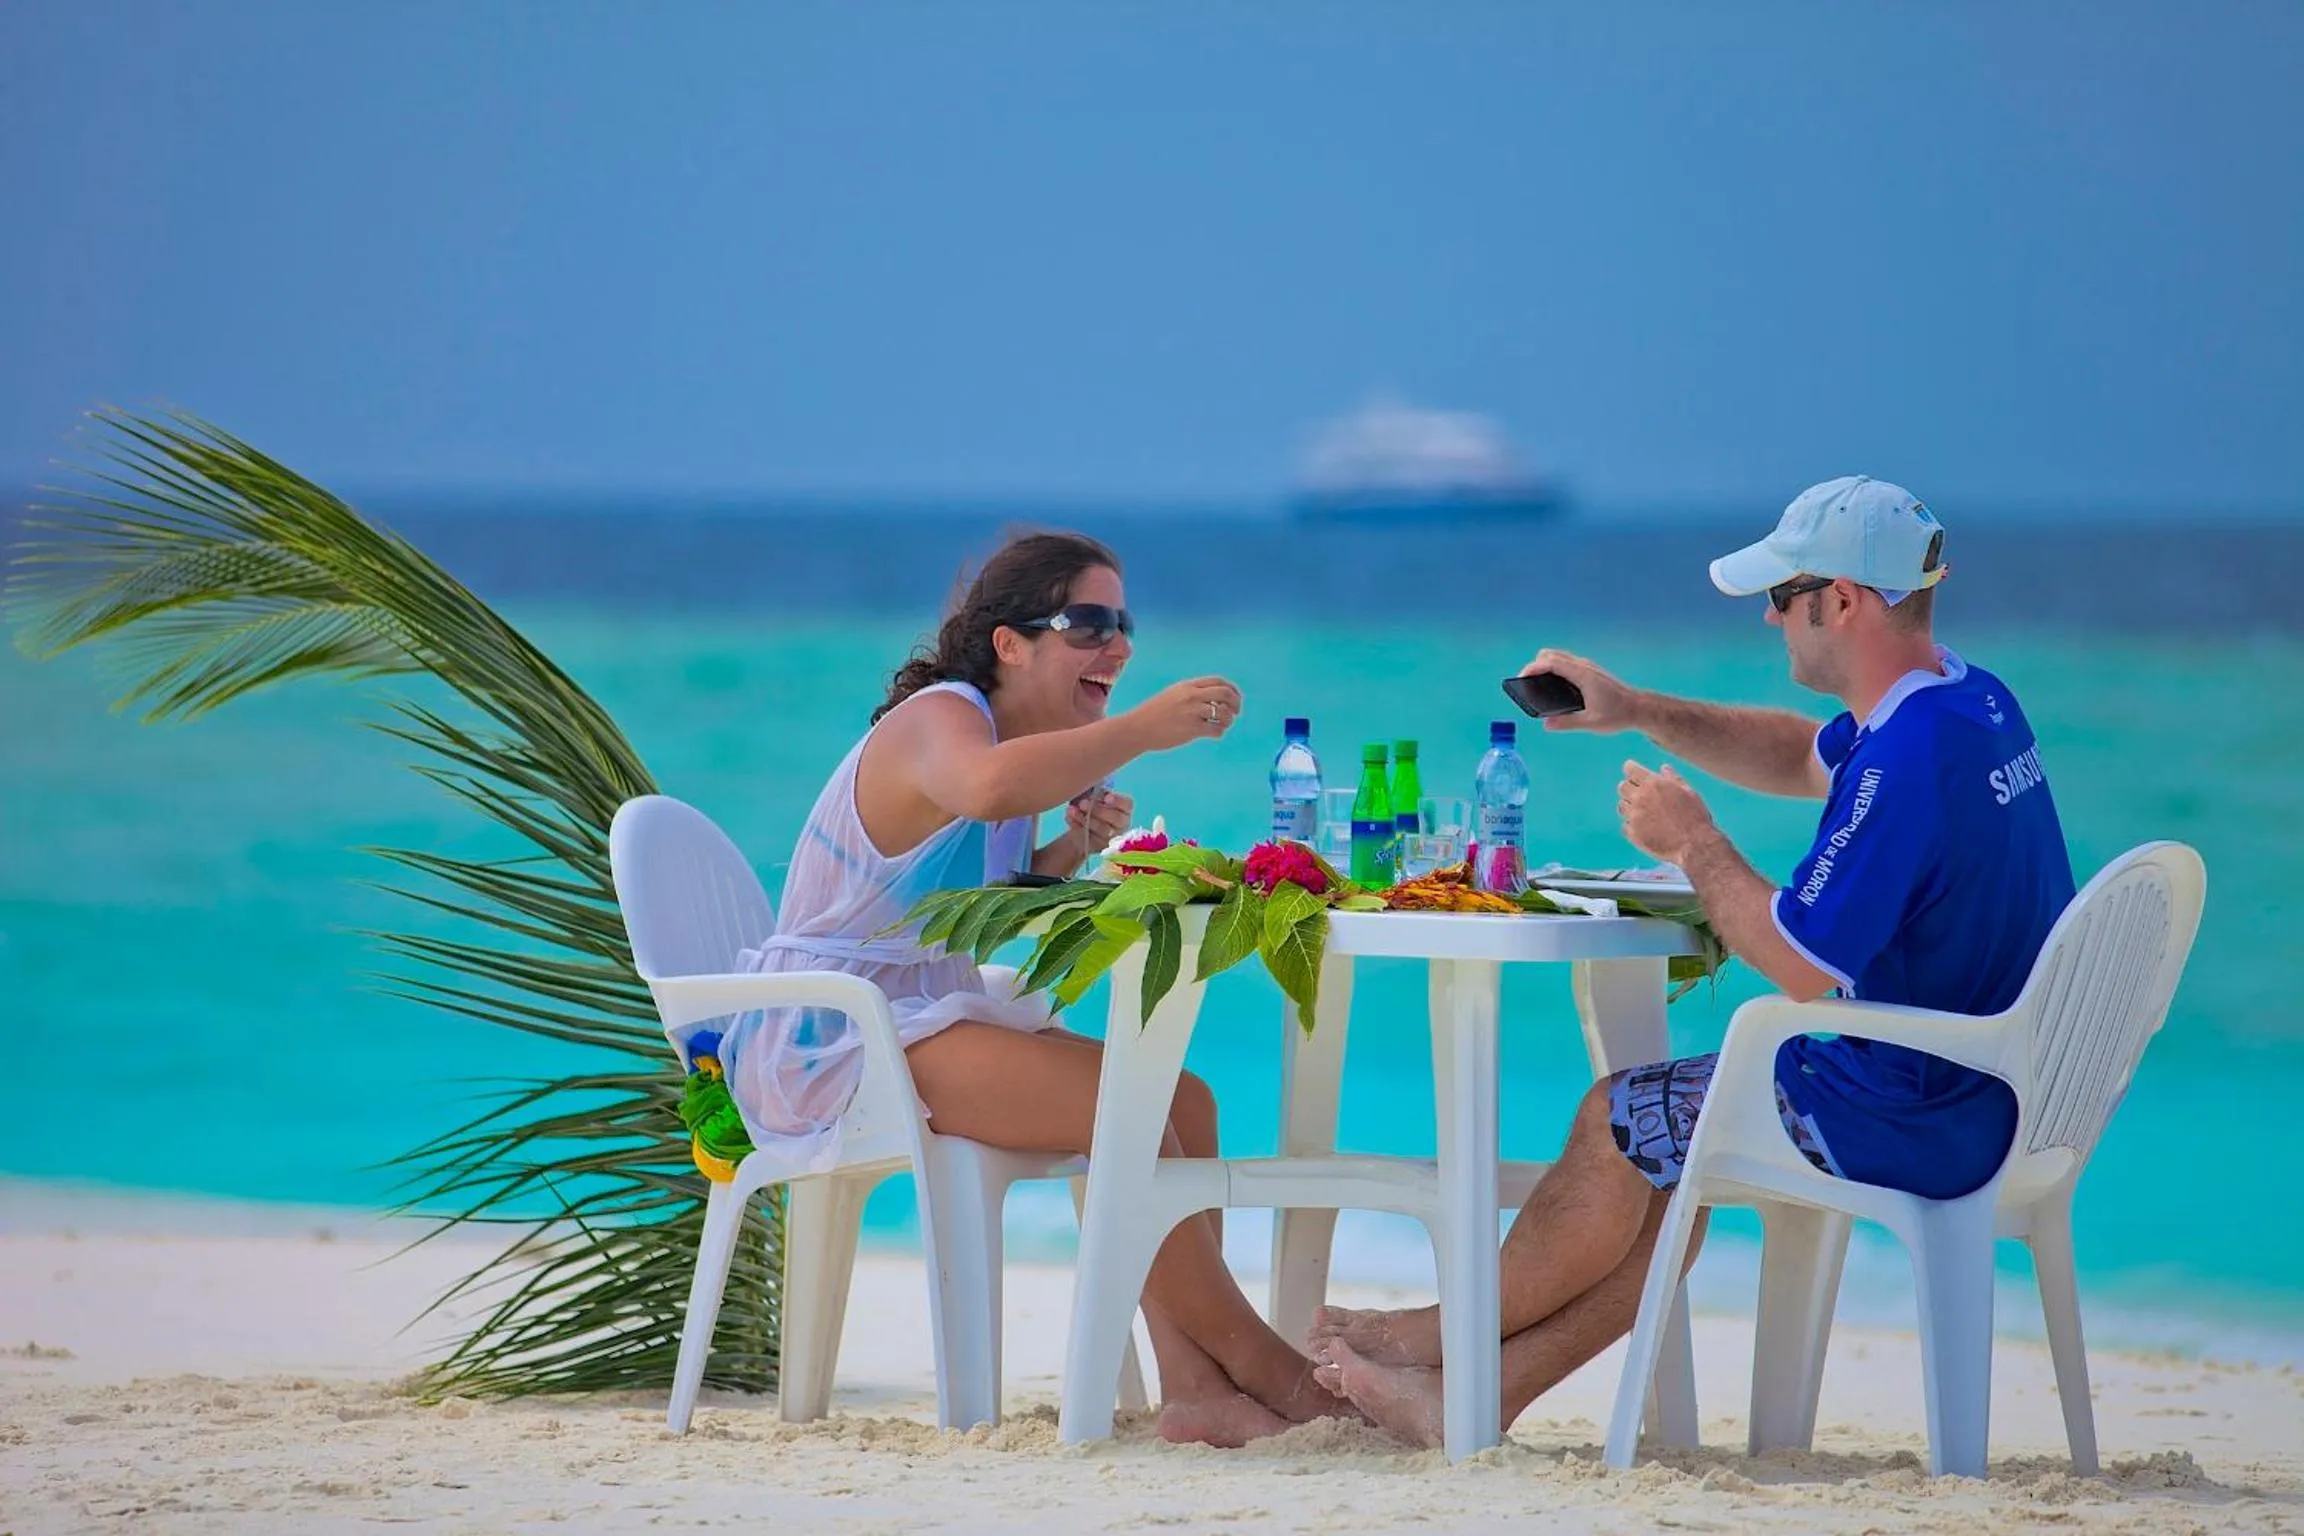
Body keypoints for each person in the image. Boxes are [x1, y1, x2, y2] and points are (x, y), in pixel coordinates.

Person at [1308, 476, 2078, 1444]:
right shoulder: (1965, 700)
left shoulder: (1912, 755)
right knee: (1663, 1143)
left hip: (1917, 1107)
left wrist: (1693, 843)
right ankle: (1474, 1393)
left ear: (1842, 600)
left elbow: (1800, 963)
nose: (1769, 617)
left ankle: (1434, 1337)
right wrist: (1636, 708)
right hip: (1995, 1091)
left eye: (1783, 596)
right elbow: (1801, 757)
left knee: (1617, 1117)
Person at [717, 529, 1340, 1446]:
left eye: (1123, 625)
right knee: (1121, 1107)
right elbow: (984, 791)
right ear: (1010, 643)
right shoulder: (941, 718)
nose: (1116, 646)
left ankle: (1196, 1388)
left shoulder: (1007, 741)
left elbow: (974, 895)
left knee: (1183, 1100)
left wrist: (1070, 849)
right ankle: (1266, 1367)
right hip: (830, 1033)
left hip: (914, 1011)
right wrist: (1144, 729)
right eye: (1088, 624)